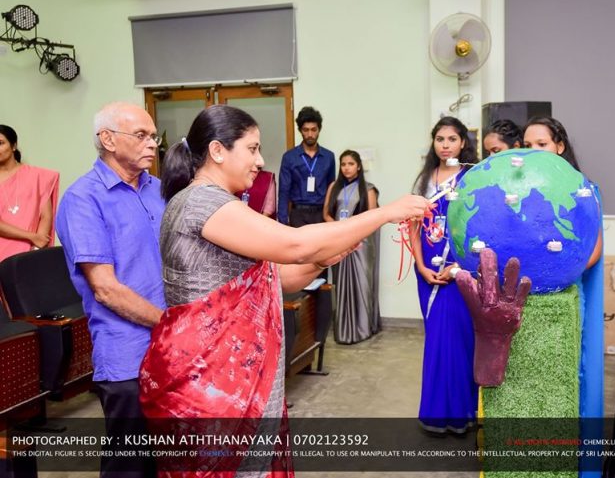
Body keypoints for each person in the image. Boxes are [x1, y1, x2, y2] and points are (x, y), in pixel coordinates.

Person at [139, 105, 429, 476]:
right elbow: (296, 245)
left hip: (237, 375)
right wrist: (385, 213)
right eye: (252, 148)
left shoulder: (224, 204)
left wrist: (323, 260)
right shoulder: (200, 201)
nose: (261, 161)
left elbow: (276, 277)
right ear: (217, 151)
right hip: (209, 378)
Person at [56, 102, 166, 478]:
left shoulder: (159, 191)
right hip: (127, 355)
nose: (151, 143)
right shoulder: (82, 199)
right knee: (130, 464)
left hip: (171, 349)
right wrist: (172, 324)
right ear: (107, 139)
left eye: (154, 136)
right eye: (141, 135)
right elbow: (105, 288)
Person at [523, 116, 604, 467]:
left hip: (566, 295)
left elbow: (593, 251)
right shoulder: (523, 189)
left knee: (571, 376)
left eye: (541, 144)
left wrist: (550, 274)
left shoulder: (583, 189)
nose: (534, 151)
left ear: (559, 146)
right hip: (530, 300)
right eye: (527, 145)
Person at [411, 116, 479, 435]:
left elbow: (478, 226)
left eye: (452, 139)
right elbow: (413, 226)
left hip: (459, 270)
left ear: (463, 142)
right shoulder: (425, 179)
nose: (445, 145)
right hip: (428, 271)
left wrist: (460, 268)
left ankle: (463, 413)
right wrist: (421, 266)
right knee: (437, 341)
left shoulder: (472, 178)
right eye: (440, 139)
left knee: (461, 341)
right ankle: (436, 415)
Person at [322, 150, 380, 344]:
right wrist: (340, 230)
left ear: (359, 166)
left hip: (360, 243)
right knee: (341, 285)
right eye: (343, 164)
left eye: (351, 164)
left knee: (362, 284)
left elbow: (372, 217)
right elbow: (326, 214)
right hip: (339, 241)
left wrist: (352, 233)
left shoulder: (368, 189)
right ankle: (344, 329)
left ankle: (363, 329)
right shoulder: (334, 187)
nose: (346, 168)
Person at [0, 124, 59, 262]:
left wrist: (36, 248)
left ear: (14, 146)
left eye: (1, 143)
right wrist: (31, 236)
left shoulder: (37, 176)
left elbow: (45, 216)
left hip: (29, 252)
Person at [277, 106, 335, 227]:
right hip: (298, 214)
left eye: (314, 130)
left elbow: (332, 188)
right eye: (306, 130)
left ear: (319, 130)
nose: (310, 134)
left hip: (321, 214)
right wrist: (282, 222)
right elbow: (284, 191)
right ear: (300, 130)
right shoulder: (289, 157)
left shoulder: (329, 157)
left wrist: (331, 216)